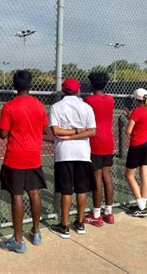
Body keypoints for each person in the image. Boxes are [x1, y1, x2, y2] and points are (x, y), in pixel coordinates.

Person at [0, 70, 48, 253]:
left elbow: (3, 134)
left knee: (17, 195)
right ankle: (36, 232)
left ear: (14, 85)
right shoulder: (39, 105)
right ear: (31, 85)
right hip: (34, 156)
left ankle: (18, 240)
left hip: (15, 157)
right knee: (34, 194)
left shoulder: (9, 106)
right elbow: (44, 130)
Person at [48, 78, 96, 238]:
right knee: (81, 189)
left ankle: (64, 225)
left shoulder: (56, 107)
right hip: (82, 153)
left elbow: (56, 131)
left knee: (66, 190)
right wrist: (76, 132)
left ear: (63, 91)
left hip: (64, 153)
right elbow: (91, 131)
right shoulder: (86, 107)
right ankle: (80, 222)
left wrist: (68, 135)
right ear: (78, 90)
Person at [83, 72, 115, 226]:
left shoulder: (88, 100)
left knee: (97, 178)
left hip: (95, 142)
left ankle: (96, 214)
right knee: (107, 177)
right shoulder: (110, 99)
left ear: (91, 84)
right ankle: (109, 213)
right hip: (108, 141)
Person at [123, 88, 147, 217]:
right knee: (144, 175)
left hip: (137, 145)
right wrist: (129, 117)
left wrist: (129, 120)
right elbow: (142, 122)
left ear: (136, 99)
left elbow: (128, 131)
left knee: (129, 175)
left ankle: (141, 208)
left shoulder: (137, 111)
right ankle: (143, 205)